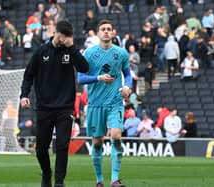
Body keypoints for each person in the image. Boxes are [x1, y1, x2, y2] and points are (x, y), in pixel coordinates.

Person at [20, 20, 89, 187]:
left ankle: (59, 182)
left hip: (65, 108)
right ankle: (46, 173)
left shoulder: (70, 51)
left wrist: (72, 48)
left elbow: (84, 68)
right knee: (41, 149)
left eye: (67, 37)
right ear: (55, 32)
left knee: (62, 145)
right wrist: (24, 95)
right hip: (44, 106)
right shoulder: (41, 51)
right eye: (61, 35)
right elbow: (29, 75)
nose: (63, 39)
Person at [78, 19, 132, 187]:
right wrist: (98, 77)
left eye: (109, 29)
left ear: (113, 33)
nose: (106, 31)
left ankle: (114, 179)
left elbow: (128, 74)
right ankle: (99, 180)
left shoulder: (122, 53)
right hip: (95, 104)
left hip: (115, 102)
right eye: (103, 29)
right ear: (98, 33)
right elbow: (80, 78)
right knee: (97, 142)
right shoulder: (89, 53)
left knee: (115, 136)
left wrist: (127, 87)